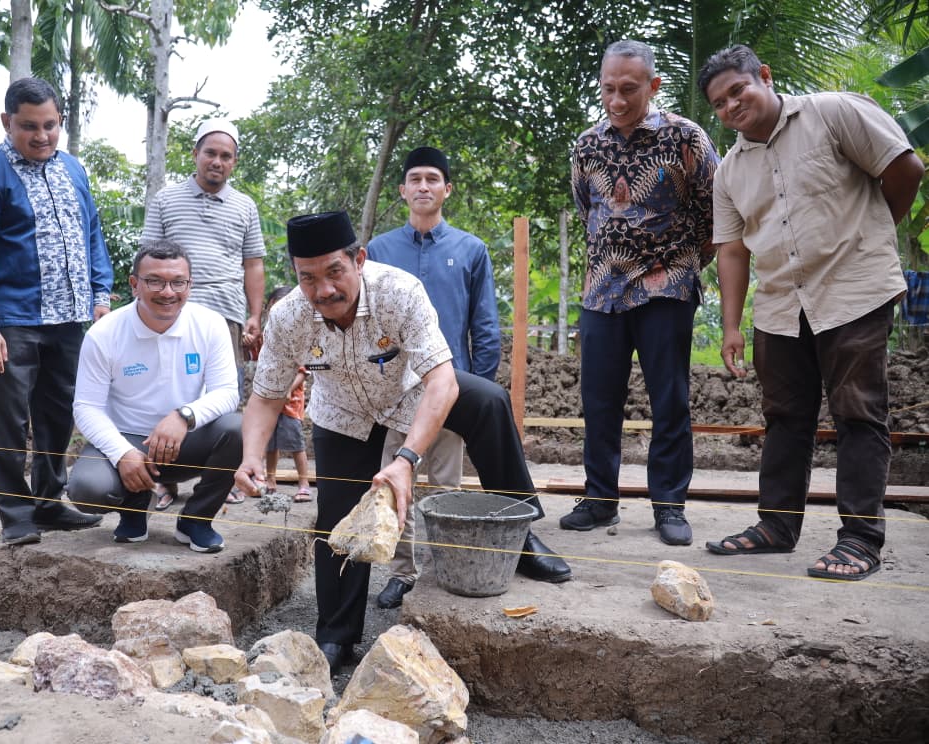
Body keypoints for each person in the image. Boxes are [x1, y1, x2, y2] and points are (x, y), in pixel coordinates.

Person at [234, 210, 572, 675]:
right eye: (307, 278)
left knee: (490, 402)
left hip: (413, 393)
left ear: (359, 259)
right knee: (337, 517)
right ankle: (336, 634)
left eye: (334, 272)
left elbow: (443, 382)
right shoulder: (288, 316)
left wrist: (407, 459)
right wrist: (251, 455)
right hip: (343, 414)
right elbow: (266, 397)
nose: (323, 290)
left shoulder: (399, 291)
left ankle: (521, 537)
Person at [698, 45, 924, 580]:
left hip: (853, 291)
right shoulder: (729, 171)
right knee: (784, 418)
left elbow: (904, 168)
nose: (732, 106)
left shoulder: (834, 112)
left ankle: (860, 539)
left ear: (765, 76)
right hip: (779, 304)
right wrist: (731, 325)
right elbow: (732, 250)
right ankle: (776, 526)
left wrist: (870, 235)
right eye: (720, 102)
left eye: (739, 90)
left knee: (858, 411)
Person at [566, 40, 719, 546]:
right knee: (599, 401)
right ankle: (599, 500)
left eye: (628, 89)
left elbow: (714, 212)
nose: (616, 99)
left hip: (666, 288)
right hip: (601, 293)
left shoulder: (685, 139)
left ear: (652, 85)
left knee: (669, 400)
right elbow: (588, 207)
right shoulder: (587, 146)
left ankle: (669, 507)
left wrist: (680, 267)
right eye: (608, 88)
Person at [0, 77, 112, 545]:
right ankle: (15, 515)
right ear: (7, 122)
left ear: (60, 122)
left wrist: (100, 296)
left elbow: (93, 235)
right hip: (11, 322)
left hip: (70, 319)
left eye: (50, 125)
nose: (42, 136)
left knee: (59, 412)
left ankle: (48, 502)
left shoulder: (74, 170)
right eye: (29, 126)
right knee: (9, 420)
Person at [366, 145, 501, 609]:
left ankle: (446, 567)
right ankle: (401, 573)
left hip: (449, 388)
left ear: (447, 188)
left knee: (446, 486)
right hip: (395, 391)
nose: (424, 186)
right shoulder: (380, 250)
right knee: (394, 478)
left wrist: (475, 392)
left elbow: (484, 326)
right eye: (415, 179)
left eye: (433, 179)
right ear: (402, 190)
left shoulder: (470, 250)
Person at [67, 241, 242, 548]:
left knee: (239, 429)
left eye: (178, 282)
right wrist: (122, 453)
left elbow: (227, 392)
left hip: (186, 441)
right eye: (155, 281)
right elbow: (86, 407)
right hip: (128, 440)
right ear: (135, 284)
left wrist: (184, 416)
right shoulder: (104, 333)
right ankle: (133, 510)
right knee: (86, 488)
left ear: (190, 285)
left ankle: (195, 521)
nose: (167, 292)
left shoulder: (210, 324)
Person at [141, 117, 266, 376]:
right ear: (196, 153)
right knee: (170, 383)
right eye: (210, 153)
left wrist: (254, 315)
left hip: (226, 313)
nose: (217, 162)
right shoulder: (166, 199)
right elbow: (147, 257)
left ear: (234, 162)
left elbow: (253, 264)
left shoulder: (245, 206)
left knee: (226, 387)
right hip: (172, 308)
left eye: (225, 156)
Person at [257, 286, 313, 503]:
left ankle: (304, 483)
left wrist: (288, 390)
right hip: (270, 404)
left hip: (290, 404)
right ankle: (270, 481)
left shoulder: (297, 335)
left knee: (296, 445)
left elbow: (303, 371)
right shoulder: (267, 334)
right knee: (271, 445)